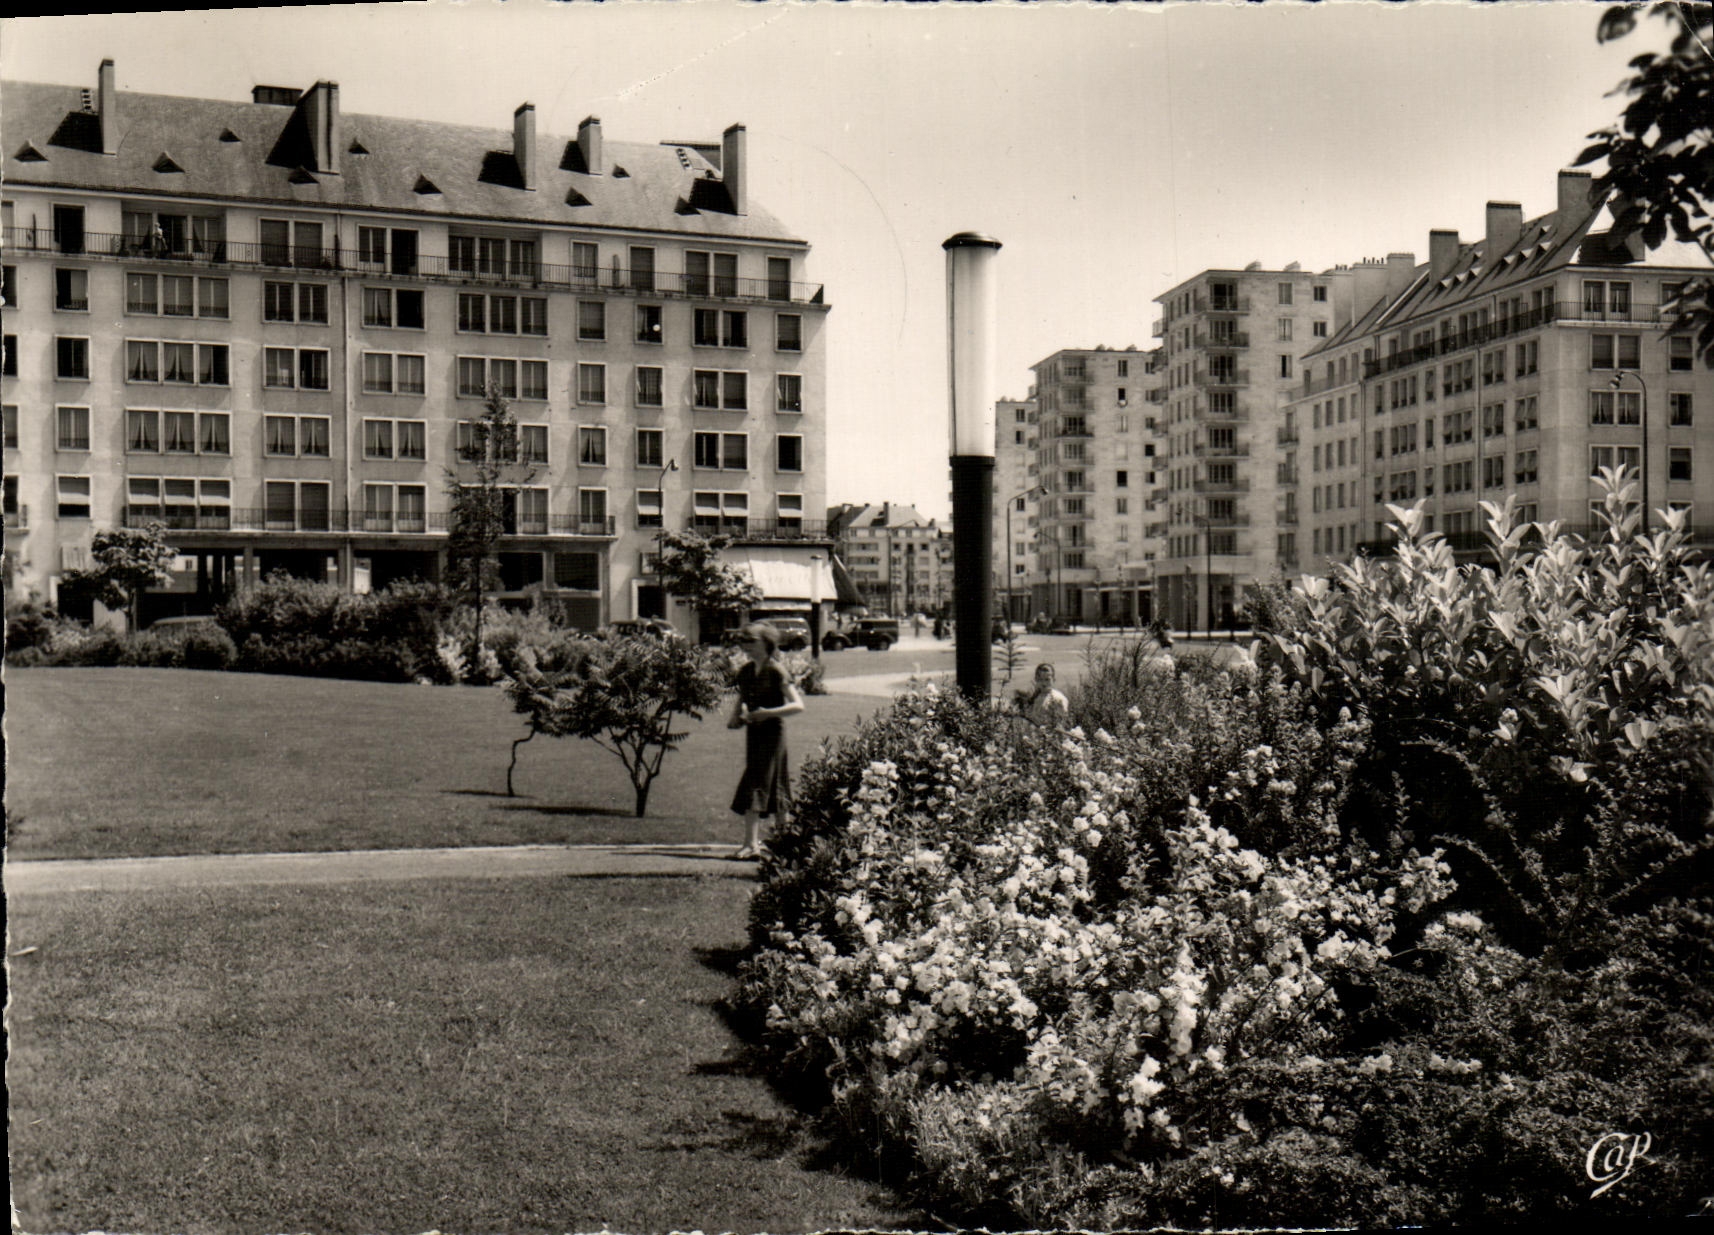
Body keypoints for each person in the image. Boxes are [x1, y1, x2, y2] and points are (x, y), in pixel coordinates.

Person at [726, 622, 804, 860]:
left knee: (761, 784)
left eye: (752, 642)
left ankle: (758, 844)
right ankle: (774, 844)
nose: (747, 647)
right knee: (767, 784)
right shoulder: (748, 671)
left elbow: (797, 705)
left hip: (772, 735)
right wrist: (736, 716)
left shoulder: (776, 670)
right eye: (744, 642)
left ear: (767, 643)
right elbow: (742, 697)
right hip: (755, 734)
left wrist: (766, 713)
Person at [1019, 662, 1070, 727]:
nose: (1044, 683)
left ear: (1054, 680)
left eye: (1047, 680)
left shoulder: (1058, 698)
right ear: (1036, 680)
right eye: (1040, 680)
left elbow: (1062, 722)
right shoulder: (1036, 697)